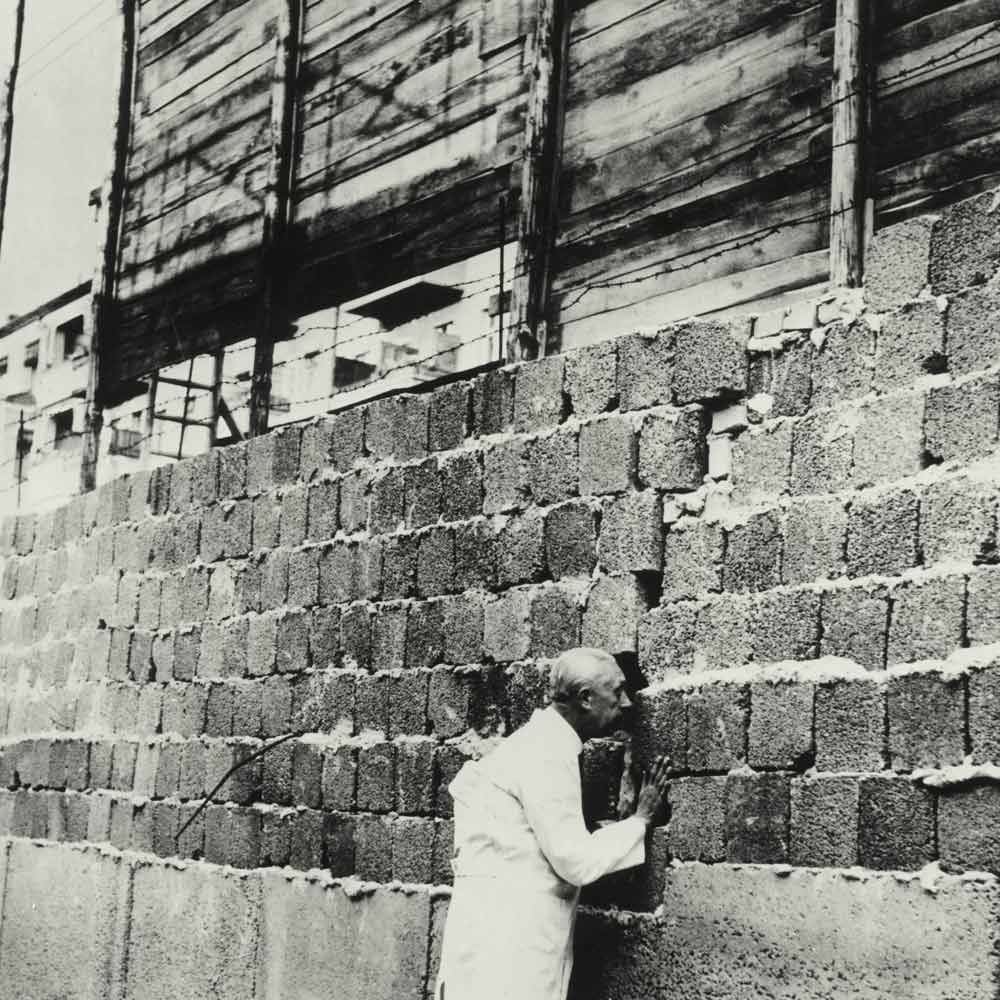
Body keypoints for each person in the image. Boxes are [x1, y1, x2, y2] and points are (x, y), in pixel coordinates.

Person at [435, 646, 670, 1000]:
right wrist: (640, 821)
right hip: (508, 948)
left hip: (497, 938)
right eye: (618, 692)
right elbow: (573, 860)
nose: (627, 704)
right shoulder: (545, 753)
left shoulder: (542, 744)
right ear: (587, 699)